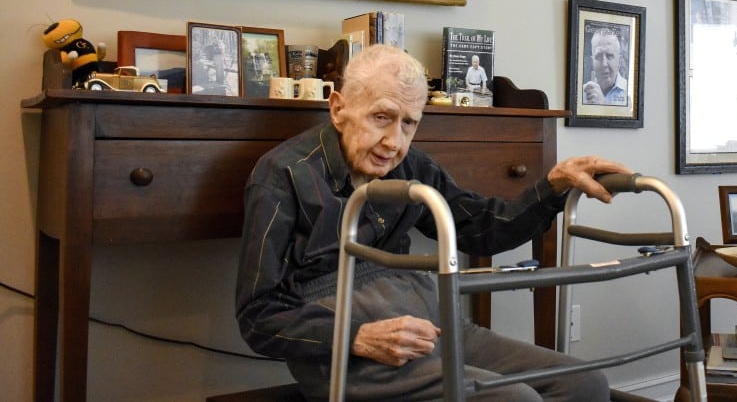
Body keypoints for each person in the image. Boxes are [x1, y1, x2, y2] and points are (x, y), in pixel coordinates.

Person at [236, 44, 631, 401]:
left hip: (432, 326)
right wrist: (356, 337)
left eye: (408, 123)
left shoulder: (410, 166)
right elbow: (258, 315)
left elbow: (482, 228)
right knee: (514, 400)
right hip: (346, 353)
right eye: (381, 117)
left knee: (584, 382)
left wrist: (552, 185)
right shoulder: (282, 175)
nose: (394, 142)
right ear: (338, 109)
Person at [582, 28, 628, 106]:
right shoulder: (581, 93)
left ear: (619, 62)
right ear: (592, 62)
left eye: (609, 55)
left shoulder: (629, 93)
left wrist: (603, 104)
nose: (604, 64)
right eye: (599, 56)